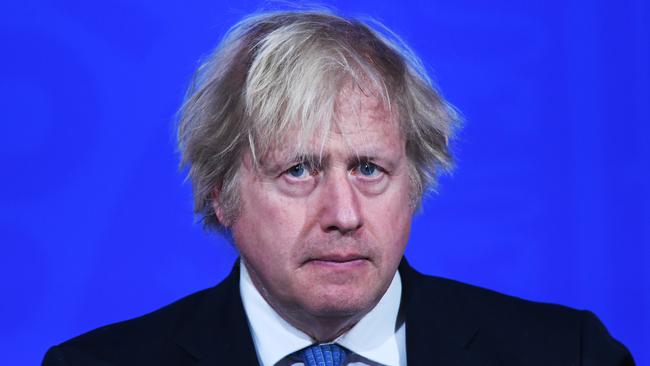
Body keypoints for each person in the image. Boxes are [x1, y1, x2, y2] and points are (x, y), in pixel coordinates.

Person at [43, 9, 634, 366]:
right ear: (221, 193)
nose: (344, 214)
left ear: (415, 184)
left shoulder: (569, 355)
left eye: (369, 169)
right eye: (297, 170)